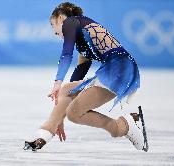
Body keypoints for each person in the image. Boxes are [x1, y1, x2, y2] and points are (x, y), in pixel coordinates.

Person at [24, 2, 148, 152]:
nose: (54, 32)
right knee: (67, 92)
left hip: (119, 69)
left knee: (74, 113)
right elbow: (76, 82)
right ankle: (45, 133)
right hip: (115, 68)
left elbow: (66, 54)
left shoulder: (71, 22)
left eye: (53, 25)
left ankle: (123, 126)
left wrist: (57, 82)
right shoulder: (81, 35)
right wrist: (59, 118)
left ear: (61, 18)